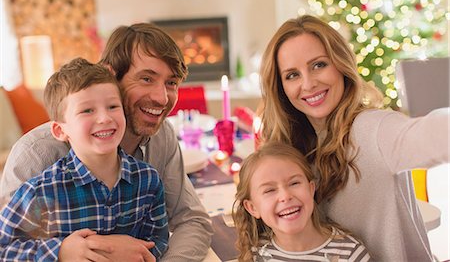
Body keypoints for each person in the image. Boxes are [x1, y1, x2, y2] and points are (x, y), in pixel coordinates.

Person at [0, 24, 213, 262]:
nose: (161, 98)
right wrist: (64, 251)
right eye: (146, 78)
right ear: (110, 75)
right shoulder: (36, 155)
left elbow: (191, 221)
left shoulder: (161, 138)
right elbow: (7, 247)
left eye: (171, 83)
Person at [259, 14, 449, 261]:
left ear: (341, 65)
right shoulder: (292, 148)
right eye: (292, 75)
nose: (308, 84)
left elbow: (436, 134)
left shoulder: (374, 129)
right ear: (280, 87)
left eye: (319, 65)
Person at [0, 58, 169, 261]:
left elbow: (158, 240)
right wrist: (61, 251)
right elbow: (5, 249)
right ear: (60, 130)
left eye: (113, 106)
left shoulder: (148, 180)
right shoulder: (42, 191)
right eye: (87, 110)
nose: (104, 118)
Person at [233, 142, 371, 262]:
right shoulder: (256, 252)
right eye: (269, 190)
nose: (285, 196)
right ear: (252, 208)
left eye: (294, 183)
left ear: (311, 189)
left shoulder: (350, 255)